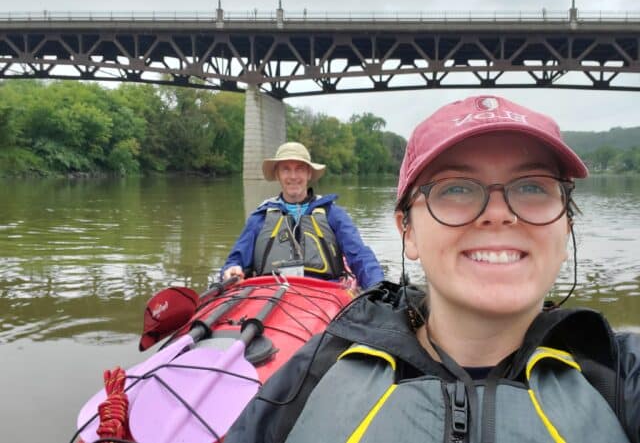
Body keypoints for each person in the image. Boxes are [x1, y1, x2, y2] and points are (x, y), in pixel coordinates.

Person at [224, 96, 640, 443]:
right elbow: (241, 253)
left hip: (321, 290)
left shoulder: (620, 375)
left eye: (532, 187)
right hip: (272, 287)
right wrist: (230, 271)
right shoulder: (315, 371)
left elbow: (359, 255)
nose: (498, 214)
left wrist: (370, 290)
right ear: (408, 232)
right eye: (456, 188)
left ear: (567, 225)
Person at [220, 141, 384, 289]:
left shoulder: (334, 214)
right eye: (286, 169)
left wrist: (377, 286)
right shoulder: (259, 218)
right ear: (277, 175)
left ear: (309, 174)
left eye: (299, 169)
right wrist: (231, 270)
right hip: (270, 295)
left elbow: (360, 255)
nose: (293, 176)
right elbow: (235, 260)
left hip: (325, 296)